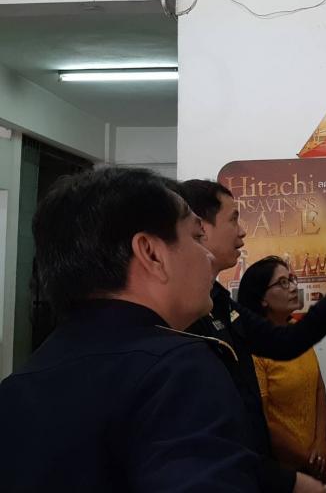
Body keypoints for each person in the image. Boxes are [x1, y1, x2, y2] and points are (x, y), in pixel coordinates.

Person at [0, 167, 268, 491]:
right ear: (151, 253)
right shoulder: (177, 370)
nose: (208, 256)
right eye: (197, 237)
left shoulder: (15, 388)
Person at [177, 179, 326, 493]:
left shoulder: (218, 299)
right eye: (233, 219)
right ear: (201, 227)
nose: (242, 231)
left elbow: (285, 342)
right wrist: (290, 478)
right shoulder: (179, 315)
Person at [238, 256, 326, 483]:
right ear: (262, 299)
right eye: (282, 283)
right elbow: (264, 422)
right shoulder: (255, 350)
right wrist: (309, 461)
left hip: (314, 459)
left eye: (291, 279)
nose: (292, 287)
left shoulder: (296, 332)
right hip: (282, 471)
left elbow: (318, 389)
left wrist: (322, 442)